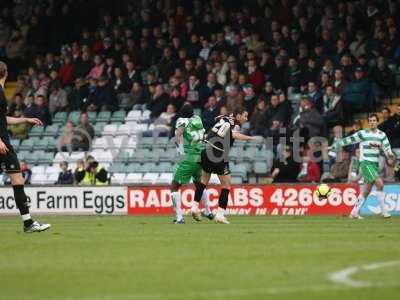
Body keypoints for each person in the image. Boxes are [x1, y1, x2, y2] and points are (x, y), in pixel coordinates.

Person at [0, 61, 50, 233]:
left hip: (3, 143)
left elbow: (3, 119)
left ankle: (28, 223)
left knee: (17, 180)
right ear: (6, 73)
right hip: (2, 144)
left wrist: (26, 119)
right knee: (17, 180)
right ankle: (28, 223)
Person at [191, 107, 258, 224]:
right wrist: (250, 138)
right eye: (245, 116)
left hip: (206, 150)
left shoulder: (225, 118)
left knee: (203, 181)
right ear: (238, 116)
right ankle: (220, 215)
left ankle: (194, 207)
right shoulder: (235, 124)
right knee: (226, 185)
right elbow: (235, 135)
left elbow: (218, 119)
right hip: (218, 154)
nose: (246, 119)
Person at [334, 114, 396, 219]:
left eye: (374, 120)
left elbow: (387, 148)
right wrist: (336, 144)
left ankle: (354, 212)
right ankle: (384, 211)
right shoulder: (363, 134)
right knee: (380, 184)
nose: (372, 122)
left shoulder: (382, 135)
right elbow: (350, 139)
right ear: (368, 122)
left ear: (377, 122)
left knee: (366, 190)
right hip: (365, 163)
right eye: (370, 120)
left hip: (374, 164)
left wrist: (389, 154)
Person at [170, 104, 212, 224]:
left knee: (174, 186)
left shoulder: (182, 121)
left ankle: (179, 218)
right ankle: (208, 212)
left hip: (187, 158)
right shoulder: (197, 119)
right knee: (200, 185)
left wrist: (180, 150)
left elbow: (178, 134)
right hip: (199, 157)